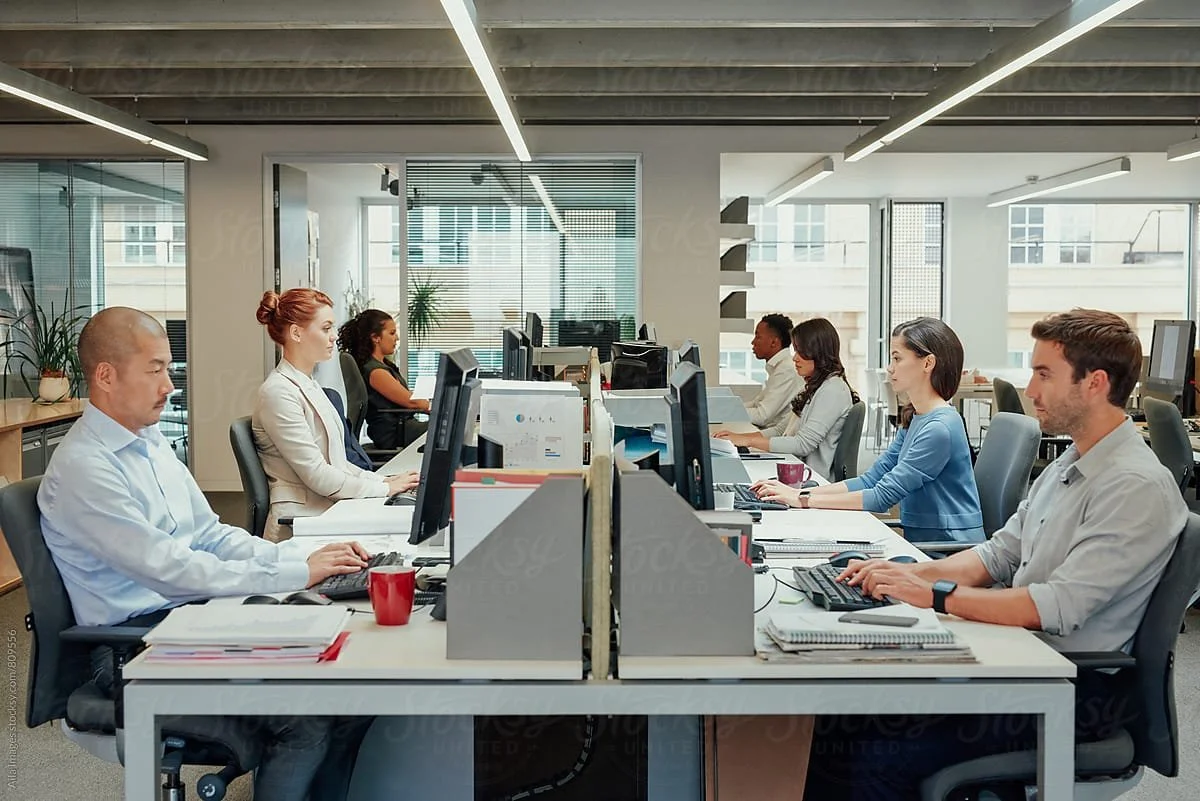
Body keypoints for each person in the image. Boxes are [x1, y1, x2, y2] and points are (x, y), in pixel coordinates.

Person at [800, 308, 1188, 801]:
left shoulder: (1134, 486)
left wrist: (935, 595)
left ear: (1094, 383)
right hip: (1022, 661)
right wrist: (905, 572)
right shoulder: (1069, 463)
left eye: (1044, 374)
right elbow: (997, 555)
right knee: (833, 719)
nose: (1030, 390)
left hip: (1070, 691)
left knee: (870, 752)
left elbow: (1052, 606)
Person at [38, 307, 373, 801]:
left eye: (168, 369)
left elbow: (212, 536)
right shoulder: (86, 468)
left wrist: (295, 561)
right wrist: (294, 572)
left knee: (346, 674)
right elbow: (173, 571)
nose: (170, 385)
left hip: (190, 619)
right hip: (135, 648)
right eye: (155, 370)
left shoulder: (149, 442)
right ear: (106, 376)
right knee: (306, 714)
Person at [754, 317, 983, 544]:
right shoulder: (917, 417)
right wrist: (799, 495)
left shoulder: (939, 429)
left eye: (897, 358)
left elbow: (882, 497)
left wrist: (802, 499)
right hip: (927, 542)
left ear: (927, 363)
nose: (889, 368)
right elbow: (872, 479)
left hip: (949, 548)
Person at [253, 289, 419, 542]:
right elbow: (318, 475)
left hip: (328, 509)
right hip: (303, 522)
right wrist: (384, 488)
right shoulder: (278, 393)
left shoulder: (310, 385)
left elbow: (338, 465)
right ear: (296, 333)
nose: (333, 338)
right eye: (326, 328)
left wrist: (383, 480)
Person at [715, 318, 857, 479]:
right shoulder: (815, 386)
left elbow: (802, 444)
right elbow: (780, 430)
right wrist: (738, 438)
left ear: (818, 352)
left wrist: (748, 442)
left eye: (801, 352)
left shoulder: (833, 389)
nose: (794, 358)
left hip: (808, 477)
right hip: (795, 468)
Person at [336, 308, 430, 450]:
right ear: (375, 337)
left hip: (403, 427)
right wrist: (437, 407)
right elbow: (413, 403)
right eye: (392, 333)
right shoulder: (376, 371)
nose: (396, 338)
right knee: (449, 431)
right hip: (395, 433)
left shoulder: (382, 365)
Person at [743, 313, 802, 429]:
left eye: (758, 337)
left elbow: (762, 416)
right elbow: (756, 403)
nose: (753, 342)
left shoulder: (786, 370)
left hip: (776, 438)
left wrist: (725, 413)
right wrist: (727, 409)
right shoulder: (779, 367)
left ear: (774, 342)